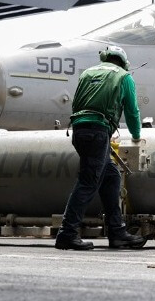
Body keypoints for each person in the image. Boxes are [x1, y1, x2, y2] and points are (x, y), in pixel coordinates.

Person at [55, 46, 145, 250]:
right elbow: (132, 111)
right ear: (123, 62)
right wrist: (137, 135)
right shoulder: (124, 77)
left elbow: (77, 103)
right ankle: (67, 234)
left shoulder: (87, 73)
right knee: (88, 181)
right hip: (98, 131)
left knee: (111, 176)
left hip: (79, 130)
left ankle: (117, 232)